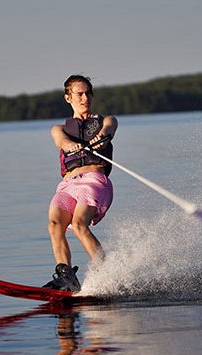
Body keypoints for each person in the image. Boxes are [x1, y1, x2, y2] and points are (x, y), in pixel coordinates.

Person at [43, 75, 117, 292]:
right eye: (79, 94)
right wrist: (71, 146)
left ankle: (108, 275)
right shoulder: (60, 129)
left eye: (88, 93)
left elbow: (109, 129)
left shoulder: (106, 121)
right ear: (68, 98)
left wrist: (101, 137)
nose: (85, 98)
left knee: (78, 225)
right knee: (55, 224)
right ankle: (67, 279)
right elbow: (61, 141)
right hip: (68, 185)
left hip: (94, 181)